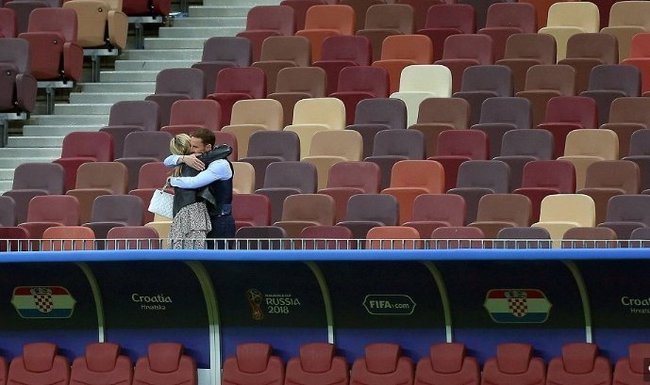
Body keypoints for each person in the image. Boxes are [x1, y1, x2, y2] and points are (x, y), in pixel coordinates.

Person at [164, 128, 235, 249]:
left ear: (208, 147)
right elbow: (167, 161)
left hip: (220, 220)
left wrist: (172, 180)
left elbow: (194, 182)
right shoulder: (198, 159)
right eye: (190, 145)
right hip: (206, 218)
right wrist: (183, 158)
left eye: (195, 147)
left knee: (217, 263)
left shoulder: (220, 164)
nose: (191, 150)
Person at [166, 134, 212, 249]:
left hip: (182, 212)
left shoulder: (179, 167)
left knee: (179, 253)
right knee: (196, 254)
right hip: (194, 213)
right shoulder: (194, 163)